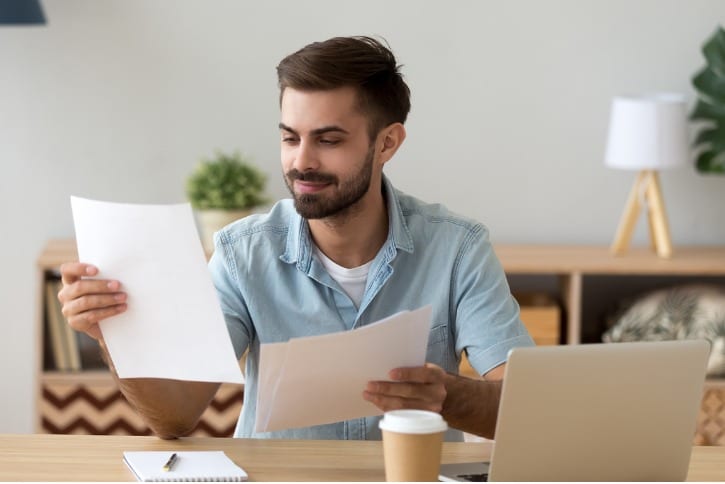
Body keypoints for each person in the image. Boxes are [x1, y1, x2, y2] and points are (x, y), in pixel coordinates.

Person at [58, 35, 534, 441]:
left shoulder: (457, 249)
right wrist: (112, 336)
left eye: (328, 140)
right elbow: (176, 417)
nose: (301, 162)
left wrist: (450, 396)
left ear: (387, 143)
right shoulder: (242, 253)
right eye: (290, 138)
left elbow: (528, 408)